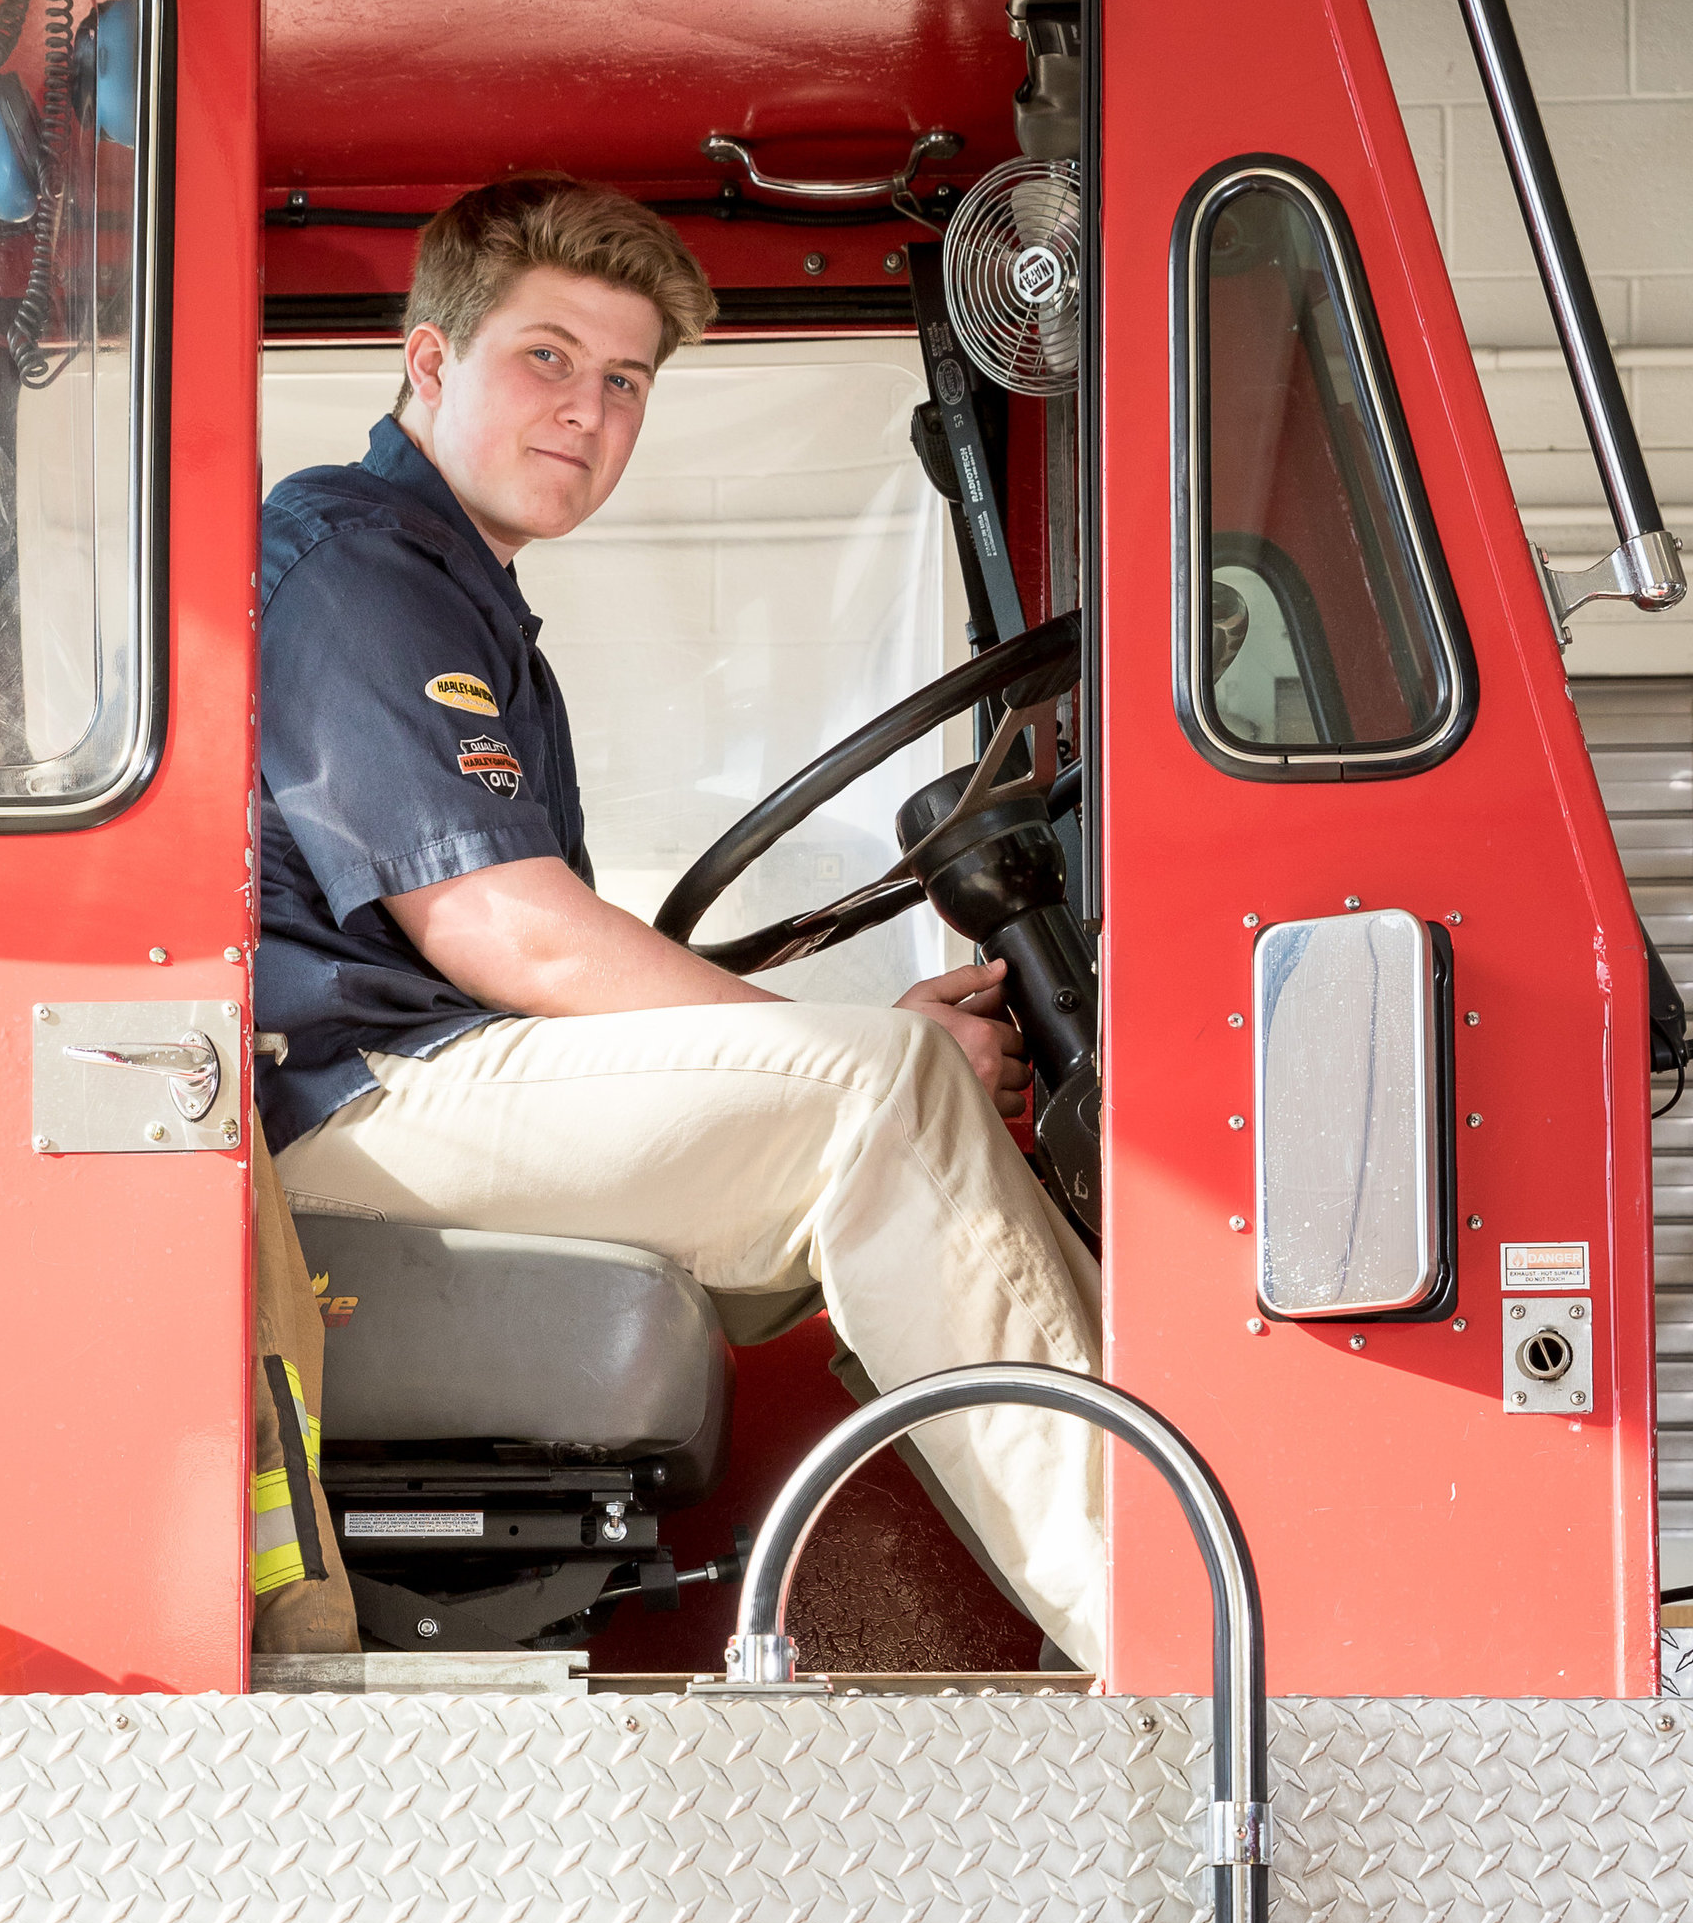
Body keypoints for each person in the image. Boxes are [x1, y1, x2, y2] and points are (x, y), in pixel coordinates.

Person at [256, 176, 1106, 1665]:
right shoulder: (358, 569)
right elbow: (512, 939)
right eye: (547, 356)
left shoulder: (461, 588)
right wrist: (835, 1058)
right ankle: (1180, 1628)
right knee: (888, 1102)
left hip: (416, 1085)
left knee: (876, 1086)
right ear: (431, 359)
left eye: (625, 379)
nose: (589, 409)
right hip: (352, 1113)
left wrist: (817, 1048)